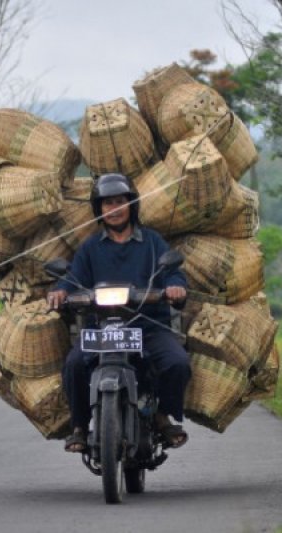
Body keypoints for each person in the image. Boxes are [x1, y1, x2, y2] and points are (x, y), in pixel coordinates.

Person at [47, 173, 191, 453]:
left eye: (119, 202)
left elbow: (173, 273)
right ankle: (79, 426)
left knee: (178, 363)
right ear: (98, 210)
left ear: (131, 205)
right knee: (75, 363)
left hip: (147, 326)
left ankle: (162, 414)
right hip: (101, 330)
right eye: (107, 204)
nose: (113, 209)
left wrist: (174, 287)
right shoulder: (90, 247)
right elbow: (73, 278)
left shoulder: (152, 242)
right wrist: (61, 290)